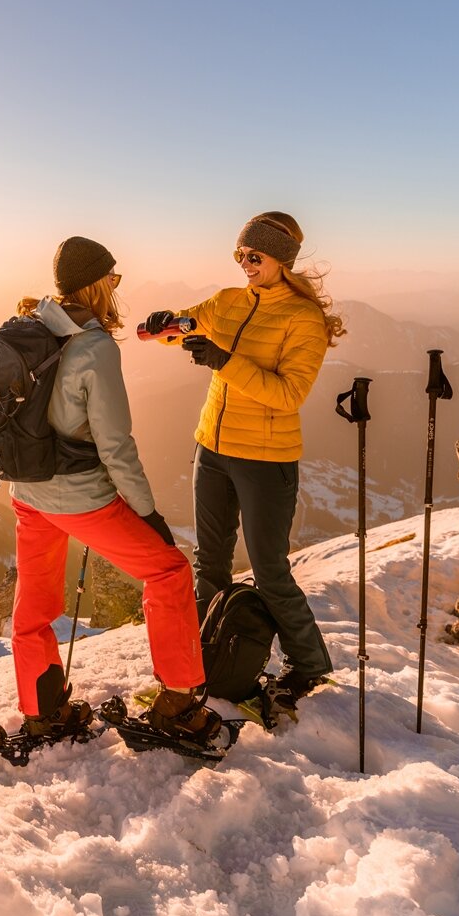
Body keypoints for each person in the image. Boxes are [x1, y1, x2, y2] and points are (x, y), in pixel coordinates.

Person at [8, 236, 219, 745]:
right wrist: (148, 514)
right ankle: (178, 703)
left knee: (34, 608)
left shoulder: (32, 325)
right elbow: (115, 445)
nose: (116, 289)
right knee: (169, 572)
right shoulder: (94, 346)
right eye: (114, 279)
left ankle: (43, 712)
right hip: (79, 498)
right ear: (98, 284)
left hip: (27, 493)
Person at [145, 212, 346, 718]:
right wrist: (164, 326)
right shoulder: (229, 302)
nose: (244, 264)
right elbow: (186, 327)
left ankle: (308, 663)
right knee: (208, 563)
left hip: (267, 459)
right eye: (240, 255)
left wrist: (223, 361)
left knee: (270, 569)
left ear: (282, 260)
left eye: (254, 257)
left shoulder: (304, 320)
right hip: (211, 450)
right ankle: (201, 662)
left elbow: (288, 394)